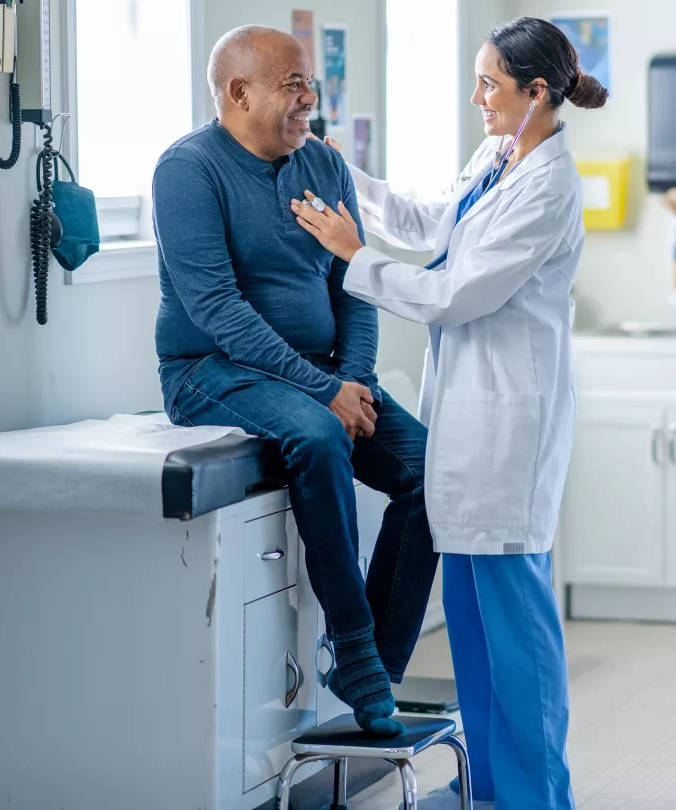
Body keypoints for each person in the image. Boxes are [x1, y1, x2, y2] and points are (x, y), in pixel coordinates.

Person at [291, 16, 607, 810]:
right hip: (465, 425)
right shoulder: (500, 156)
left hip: (510, 431)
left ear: (538, 93)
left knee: (517, 636)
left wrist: (351, 256)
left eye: (490, 84)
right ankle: (496, 792)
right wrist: (339, 173)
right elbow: (430, 220)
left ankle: (539, 798)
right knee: (470, 628)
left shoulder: (551, 187)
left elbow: (455, 295)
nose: (478, 99)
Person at [151, 25, 439, 738]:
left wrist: (354, 379)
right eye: (293, 85)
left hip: (321, 374)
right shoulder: (187, 171)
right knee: (316, 437)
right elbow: (216, 308)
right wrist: (323, 394)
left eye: (308, 81)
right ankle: (357, 649)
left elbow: (353, 285)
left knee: (433, 470)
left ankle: (375, 656)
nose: (309, 97)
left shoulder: (323, 165)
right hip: (212, 370)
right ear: (237, 92)